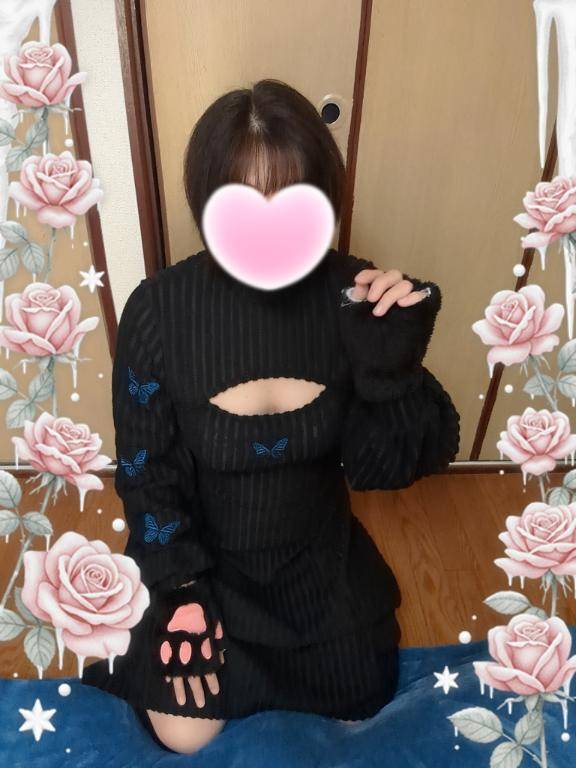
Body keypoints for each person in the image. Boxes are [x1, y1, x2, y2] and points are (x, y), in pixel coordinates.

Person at [81, 78, 460, 755]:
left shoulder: (350, 294)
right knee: (185, 732)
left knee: (360, 703)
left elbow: (383, 469)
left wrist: (392, 368)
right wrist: (181, 591)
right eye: (245, 204)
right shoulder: (159, 312)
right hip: (207, 568)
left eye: (292, 201)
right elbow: (146, 473)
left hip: (321, 578)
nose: (269, 228)